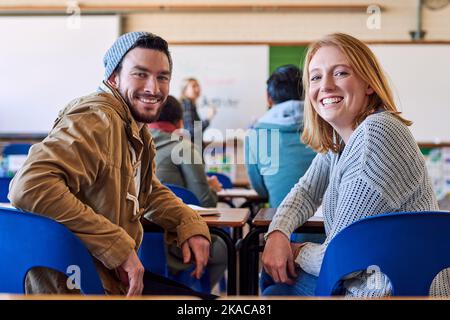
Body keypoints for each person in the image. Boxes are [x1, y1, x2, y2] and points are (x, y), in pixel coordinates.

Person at [8, 31, 215, 298]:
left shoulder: (134, 128)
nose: (153, 88)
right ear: (113, 78)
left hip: (108, 279)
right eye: (140, 74)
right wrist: (116, 246)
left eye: (162, 77)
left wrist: (188, 222)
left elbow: (147, 191)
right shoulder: (98, 118)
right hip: (75, 285)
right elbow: (29, 187)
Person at [260, 33, 448, 297]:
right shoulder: (342, 140)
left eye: (340, 73)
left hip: (392, 290)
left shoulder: (376, 133)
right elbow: (305, 192)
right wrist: (278, 233)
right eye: (315, 77)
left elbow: (342, 259)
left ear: (368, 83)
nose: (325, 86)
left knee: (274, 287)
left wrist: (296, 251)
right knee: (273, 277)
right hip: (370, 282)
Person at [148, 95, 227, 287]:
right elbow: (205, 202)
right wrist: (212, 188)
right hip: (176, 243)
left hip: (134, 243)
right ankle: (198, 293)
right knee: (224, 248)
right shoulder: (184, 147)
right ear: (180, 122)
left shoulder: (132, 145)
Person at [245, 64, 316, 209]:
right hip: (331, 228)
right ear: (307, 93)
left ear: (268, 98)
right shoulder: (329, 128)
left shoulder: (256, 136)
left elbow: (261, 190)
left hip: (279, 226)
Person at [180, 78, 215, 143]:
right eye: (194, 86)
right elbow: (191, 131)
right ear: (185, 90)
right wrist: (208, 118)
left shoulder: (189, 104)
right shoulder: (187, 105)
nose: (198, 89)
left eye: (198, 86)